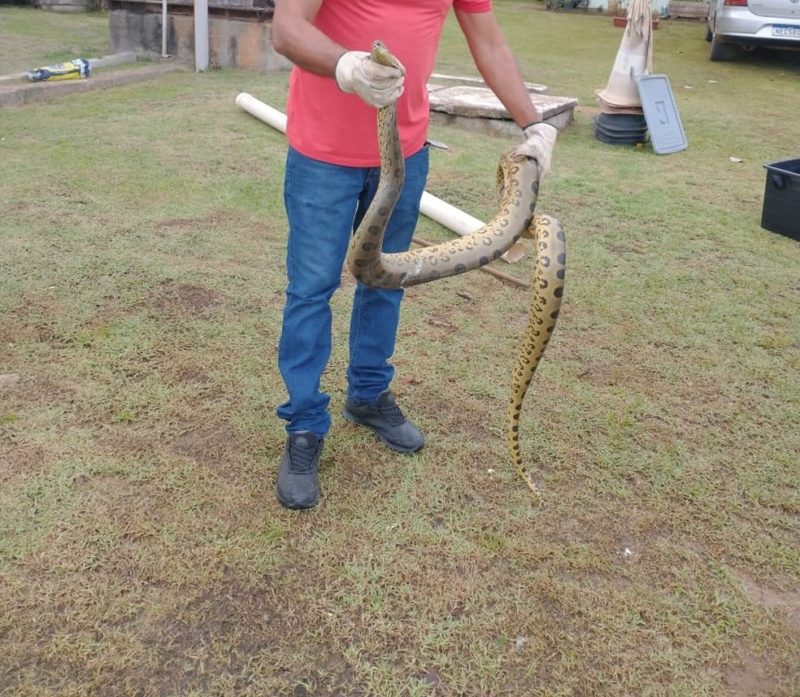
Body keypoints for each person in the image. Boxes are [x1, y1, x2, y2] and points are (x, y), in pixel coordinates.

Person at [271, 0, 557, 510]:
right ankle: (305, 425)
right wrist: (346, 66)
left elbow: (488, 42)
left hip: (404, 156)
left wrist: (534, 125)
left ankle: (367, 394)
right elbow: (288, 29)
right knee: (312, 288)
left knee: (386, 281)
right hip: (322, 156)